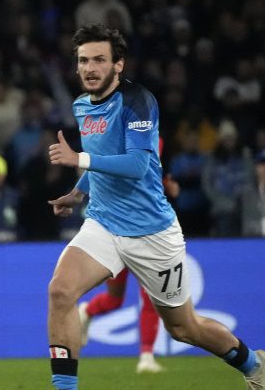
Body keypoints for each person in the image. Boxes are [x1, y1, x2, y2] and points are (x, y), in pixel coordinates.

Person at [45, 24, 265, 390]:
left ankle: (252, 363)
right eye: (83, 60)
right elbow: (104, 158)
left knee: (184, 328)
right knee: (60, 291)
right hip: (103, 224)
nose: (90, 68)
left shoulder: (138, 101)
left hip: (152, 233)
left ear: (118, 65)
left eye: (99, 60)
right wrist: (78, 191)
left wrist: (78, 160)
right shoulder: (81, 105)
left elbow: (135, 165)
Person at [77, 137, 181, 374]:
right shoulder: (133, 142)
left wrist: (167, 185)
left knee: (150, 297)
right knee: (115, 299)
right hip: (115, 231)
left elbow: (150, 178)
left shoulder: (149, 138)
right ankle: (88, 311)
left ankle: (146, 355)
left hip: (145, 233)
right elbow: (134, 172)